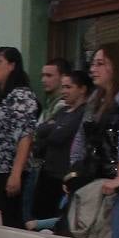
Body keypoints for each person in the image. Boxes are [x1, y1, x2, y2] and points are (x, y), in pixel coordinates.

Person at [70, 42, 119, 238]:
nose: (93, 69)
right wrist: (73, 172)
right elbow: (80, 136)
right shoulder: (96, 97)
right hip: (97, 181)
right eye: (92, 63)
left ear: (118, 65)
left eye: (100, 63)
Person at [0, 46, 38, 229]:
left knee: (10, 224)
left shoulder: (21, 95)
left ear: (12, 65)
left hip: (8, 171)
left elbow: (25, 136)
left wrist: (16, 174)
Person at [29, 70, 89, 224]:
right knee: (38, 216)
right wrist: (54, 127)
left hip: (64, 175)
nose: (64, 91)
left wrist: (53, 127)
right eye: (63, 87)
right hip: (47, 171)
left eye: (69, 87)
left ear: (82, 89)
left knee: (56, 219)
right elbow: (40, 130)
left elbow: (59, 136)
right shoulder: (62, 110)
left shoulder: (83, 112)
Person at [39, 58, 72, 123]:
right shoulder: (50, 101)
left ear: (63, 77)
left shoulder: (64, 104)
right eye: (42, 75)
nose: (43, 80)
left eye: (49, 75)